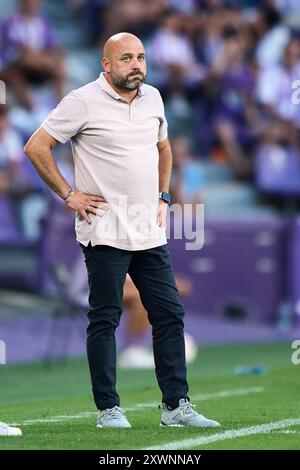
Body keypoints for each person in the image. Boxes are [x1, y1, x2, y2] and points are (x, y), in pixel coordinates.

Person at [24, 32, 220, 429]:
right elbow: (36, 146)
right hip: (105, 229)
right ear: (106, 64)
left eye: (142, 58)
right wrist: (68, 194)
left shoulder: (154, 98)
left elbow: (164, 149)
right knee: (105, 319)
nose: (137, 66)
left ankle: (176, 406)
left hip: (149, 230)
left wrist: (164, 194)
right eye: (127, 58)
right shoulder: (81, 101)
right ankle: (108, 410)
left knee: (169, 315)